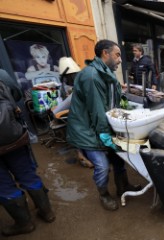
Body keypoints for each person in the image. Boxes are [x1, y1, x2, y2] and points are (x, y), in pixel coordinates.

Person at [66, 39, 141, 211]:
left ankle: (123, 186)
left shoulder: (106, 72)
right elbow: (98, 112)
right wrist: (107, 138)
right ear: (105, 53)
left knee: (119, 157)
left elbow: (115, 100)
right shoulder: (92, 76)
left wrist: (128, 110)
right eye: (117, 55)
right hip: (88, 129)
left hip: (102, 125)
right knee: (102, 166)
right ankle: (104, 194)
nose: (120, 59)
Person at [0, 69, 55, 237]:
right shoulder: (1, 74)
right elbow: (16, 94)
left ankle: (24, 223)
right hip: (13, 136)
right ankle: (47, 213)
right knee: (27, 174)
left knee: (3, 185)